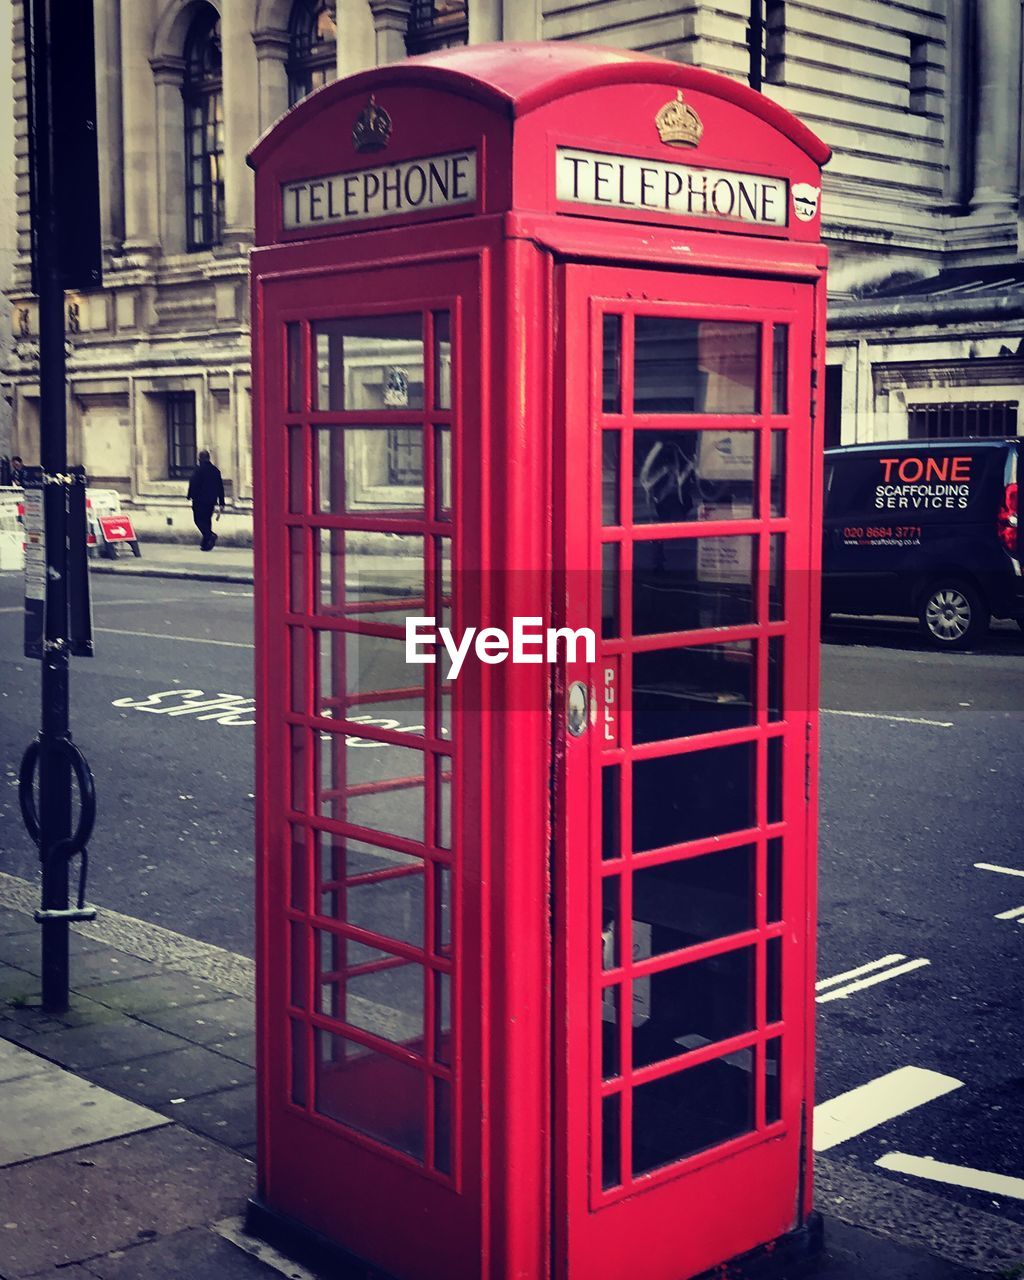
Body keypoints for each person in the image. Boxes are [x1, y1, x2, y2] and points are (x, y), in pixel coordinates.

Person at [187, 449, 225, 551]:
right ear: (208, 458)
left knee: (198, 520)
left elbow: (193, 484)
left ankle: (210, 535)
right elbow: (220, 487)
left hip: (199, 500)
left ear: (200, 458)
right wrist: (222, 502)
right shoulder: (215, 470)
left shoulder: (198, 470)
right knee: (207, 520)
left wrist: (189, 495)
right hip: (211, 500)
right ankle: (205, 543)